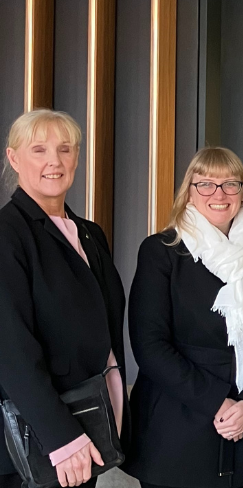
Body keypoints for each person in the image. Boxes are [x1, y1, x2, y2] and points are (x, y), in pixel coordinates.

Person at [125, 147, 243, 488]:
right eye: (206, 184)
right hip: (176, 428)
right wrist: (217, 401)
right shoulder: (161, 250)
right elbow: (150, 346)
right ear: (189, 192)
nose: (219, 194)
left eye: (230, 184)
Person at [0, 109, 128, 488]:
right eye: (38, 149)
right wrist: (62, 438)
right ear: (13, 159)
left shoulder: (88, 233)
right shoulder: (8, 235)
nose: (54, 161)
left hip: (88, 430)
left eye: (65, 149)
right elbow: (10, 350)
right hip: (39, 443)